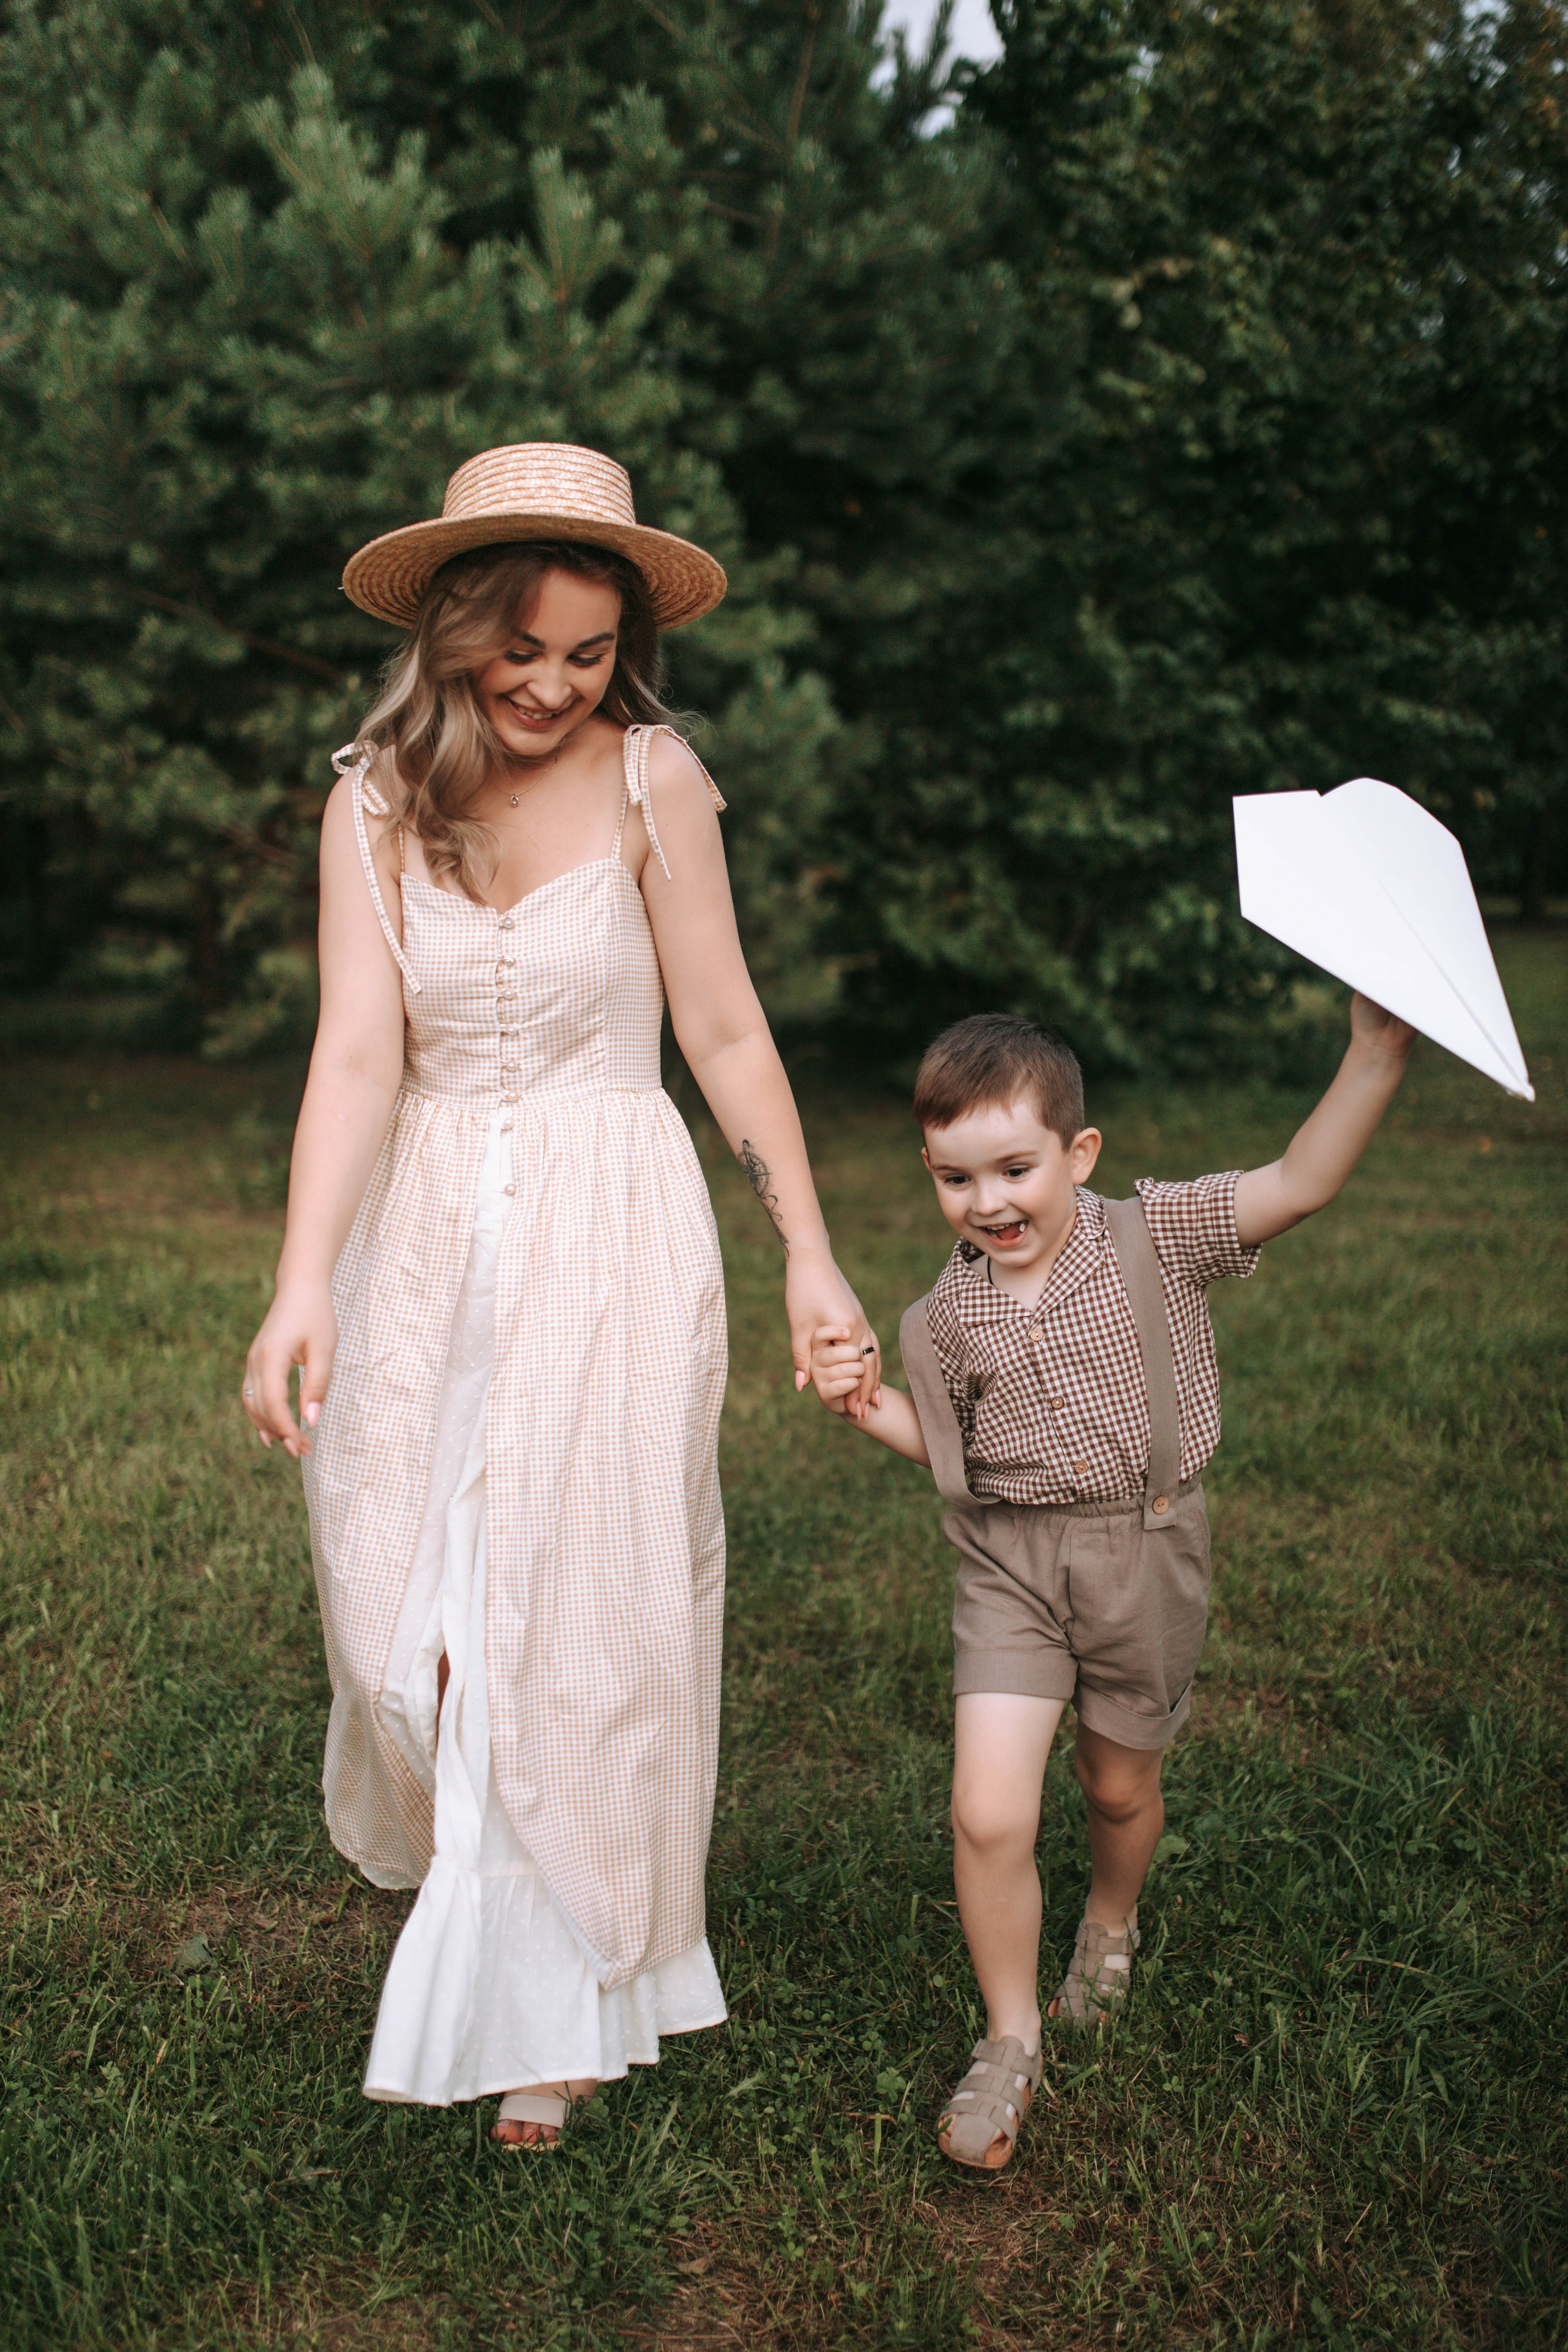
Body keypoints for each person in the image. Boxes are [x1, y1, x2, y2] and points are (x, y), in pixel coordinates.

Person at [242, 443, 879, 2149]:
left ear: (626, 654)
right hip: (429, 1220)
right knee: (401, 1612)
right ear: (455, 627)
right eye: (519, 647)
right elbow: (359, 1055)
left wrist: (810, 1249)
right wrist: (302, 1281)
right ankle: (493, 1873)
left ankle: (562, 1994)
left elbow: (727, 1033)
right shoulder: (372, 798)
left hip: (613, 1218)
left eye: (586, 654)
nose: (548, 684)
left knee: (586, 1608)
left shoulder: (655, 780)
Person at [808, 995, 1413, 2169]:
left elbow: (1298, 1182)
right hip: (1008, 1563)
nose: (987, 1204)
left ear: (1079, 1155)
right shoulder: (945, 1314)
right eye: (954, 1178)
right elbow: (950, 1450)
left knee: (1119, 1788)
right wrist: (857, 1396)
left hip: (1145, 1551)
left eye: (1014, 1169)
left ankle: (1110, 1917)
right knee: (988, 1809)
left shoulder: (1158, 1234)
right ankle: (1009, 2036)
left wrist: (1374, 1055)